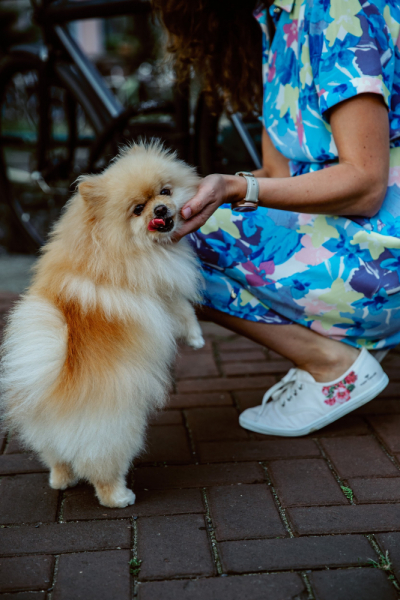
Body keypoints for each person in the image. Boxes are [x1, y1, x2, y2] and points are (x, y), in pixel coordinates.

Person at [154, 0, 400, 436]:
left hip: (383, 253)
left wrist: (234, 188)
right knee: (170, 226)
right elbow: (278, 177)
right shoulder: (277, 19)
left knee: (169, 242)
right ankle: (333, 345)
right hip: (352, 238)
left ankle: (331, 364)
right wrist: (204, 193)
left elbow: (365, 184)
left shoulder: (338, 10)